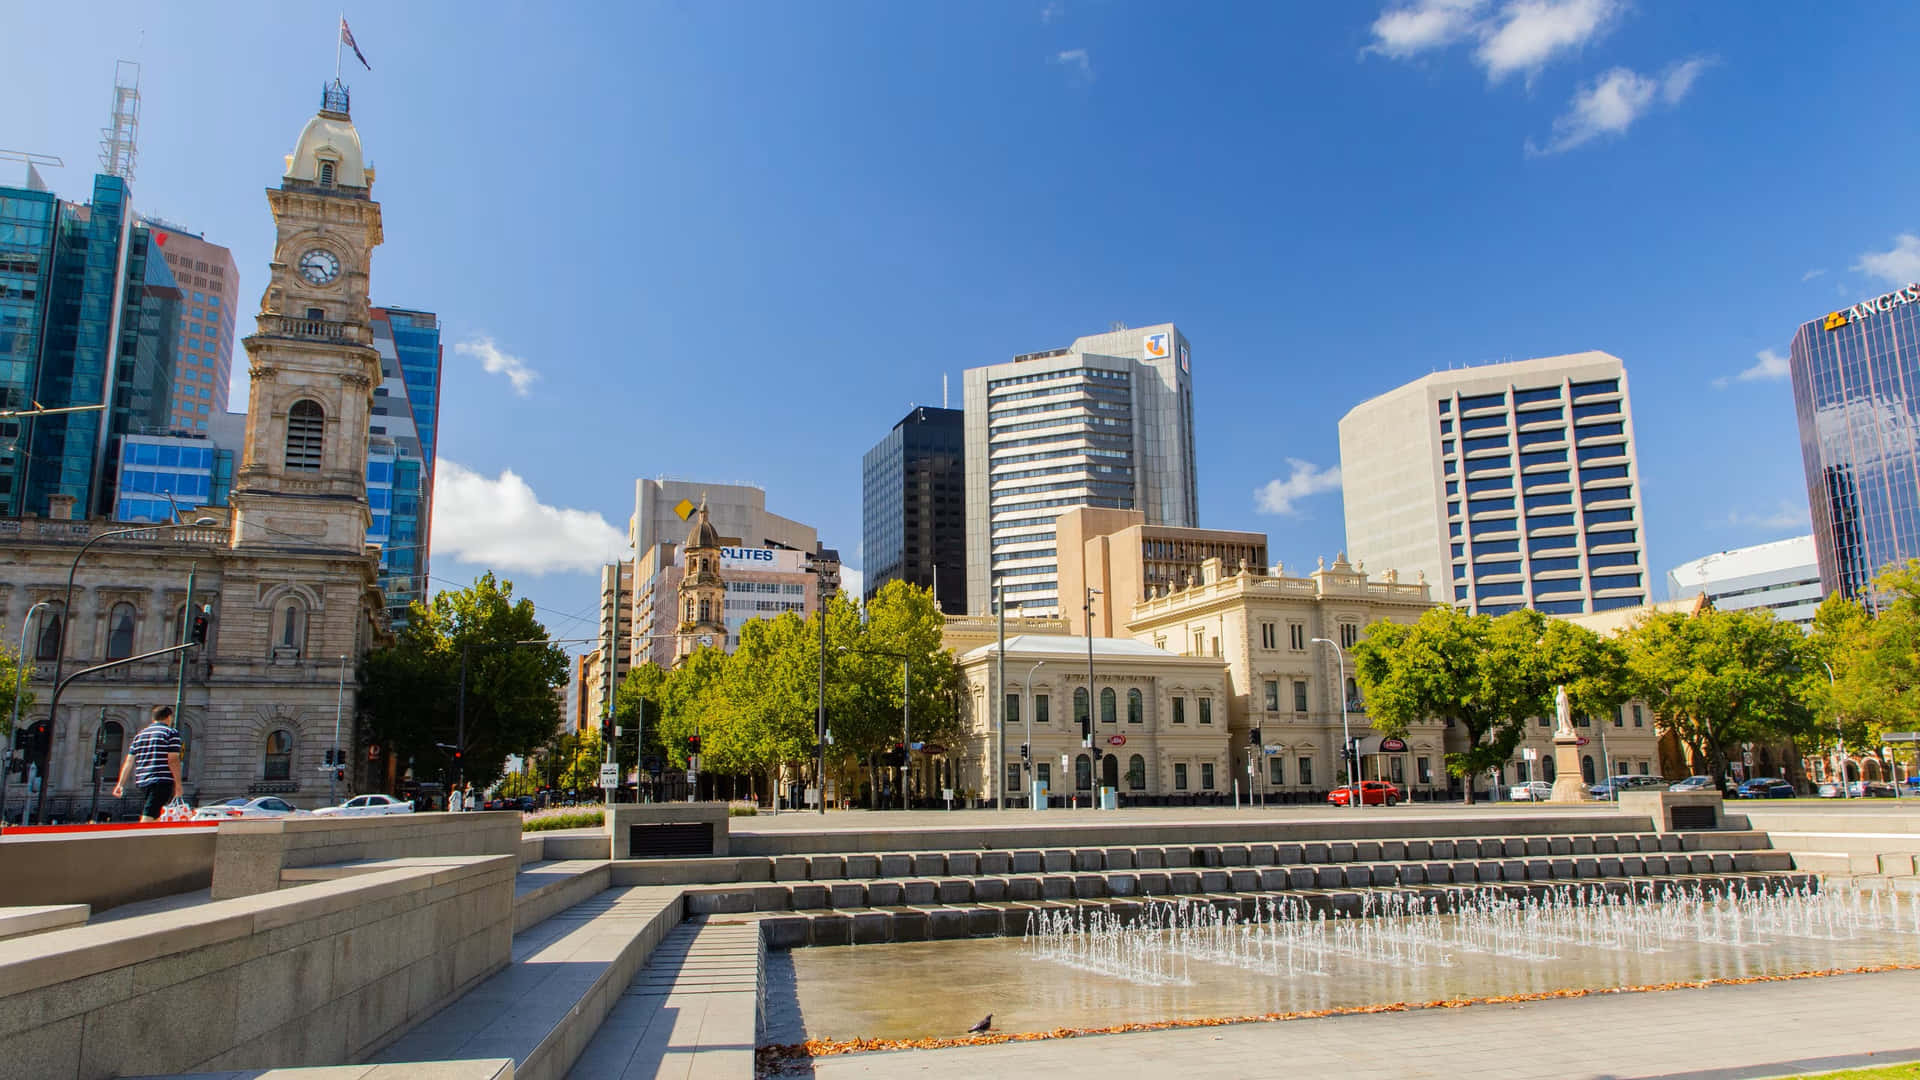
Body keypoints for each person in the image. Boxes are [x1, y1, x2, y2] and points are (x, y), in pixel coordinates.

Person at [112, 705, 183, 822]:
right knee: (150, 812)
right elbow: (173, 760)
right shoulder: (171, 733)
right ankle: (140, 836)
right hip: (161, 779)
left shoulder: (140, 735)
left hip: (143, 780)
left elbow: (129, 761)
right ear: (169, 717)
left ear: (153, 718)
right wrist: (178, 784)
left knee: (156, 813)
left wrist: (120, 784)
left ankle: (154, 837)